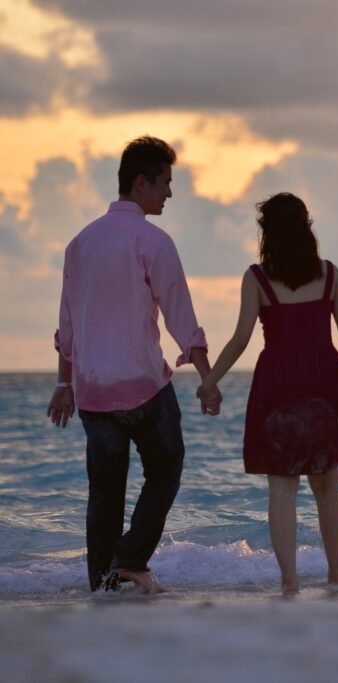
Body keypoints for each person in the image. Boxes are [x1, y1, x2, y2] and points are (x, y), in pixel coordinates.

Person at [47, 135, 222, 594]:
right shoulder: (154, 240)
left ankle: (103, 584)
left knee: (104, 492)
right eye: (165, 182)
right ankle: (131, 559)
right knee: (166, 468)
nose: (169, 193)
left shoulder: (79, 243)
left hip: (92, 391)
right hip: (143, 386)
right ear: (141, 182)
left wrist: (63, 383)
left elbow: (67, 324)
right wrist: (208, 379)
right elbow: (181, 317)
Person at [197, 192, 338, 594]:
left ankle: (290, 581)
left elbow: (241, 339)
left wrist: (210, 382)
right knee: (327, 484)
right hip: (324, 382)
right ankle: (336, 576)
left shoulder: (257, 278)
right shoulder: (329, 274)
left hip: (278, 382)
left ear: (268, 233)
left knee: (282, 488)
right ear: (306, 228)